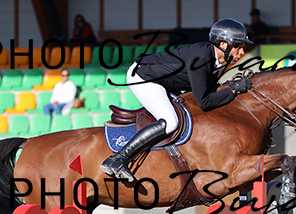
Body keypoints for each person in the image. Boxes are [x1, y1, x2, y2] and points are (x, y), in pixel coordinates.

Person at [101, 18, 254, 182]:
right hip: (143, 77)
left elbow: (203, 93)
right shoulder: (202, 58)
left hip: (162, 80)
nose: (242, 52)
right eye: (238, 46)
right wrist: (234, 90)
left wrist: (231, 87)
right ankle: (117, 159)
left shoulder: (216, 60)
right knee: (170, 121)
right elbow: (204, 101)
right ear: (223, 44)